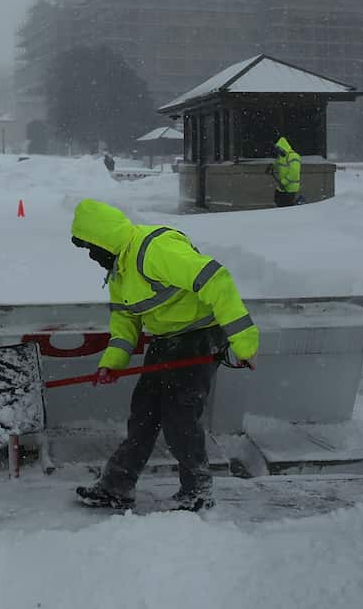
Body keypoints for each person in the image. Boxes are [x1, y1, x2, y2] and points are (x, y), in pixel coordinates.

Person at [69, 199, 259, 512]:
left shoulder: (153, 250)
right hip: (165, 341)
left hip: (197, 338)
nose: (91, 255)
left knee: (180, 417)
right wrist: (112, 362)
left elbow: (216, 279)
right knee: (142, 415)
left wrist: (244, 343)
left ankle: (197, 491)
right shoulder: (120, 269)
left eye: (91, 246)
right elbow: (125, 321)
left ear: (103, 238)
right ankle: (117, 486)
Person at [269, 135, 301, 206]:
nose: (278, 152)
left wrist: (284, 182)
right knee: (278, 200)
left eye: (279, 150)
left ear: (283, 148)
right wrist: (272, 166)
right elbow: (278, 164)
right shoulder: (282, 157)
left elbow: (294, 172)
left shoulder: (293, 156)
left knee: (285, 205)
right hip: (283, 186)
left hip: (291, 186)